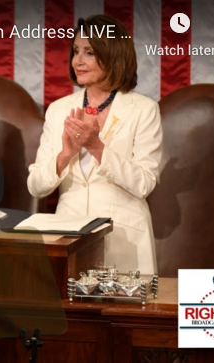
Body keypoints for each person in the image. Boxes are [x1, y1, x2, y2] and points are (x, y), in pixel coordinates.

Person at [27, 15, 163, 274]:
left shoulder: (144, 110)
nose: (78, 60)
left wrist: (96, 147)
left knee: (122, 315)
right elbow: (35, 186)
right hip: (69, 240)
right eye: (76, 51)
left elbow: (144, 183)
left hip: (124, 241)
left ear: (112, 55)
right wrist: (65, 155)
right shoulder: (58, 110)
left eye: (89, 52)